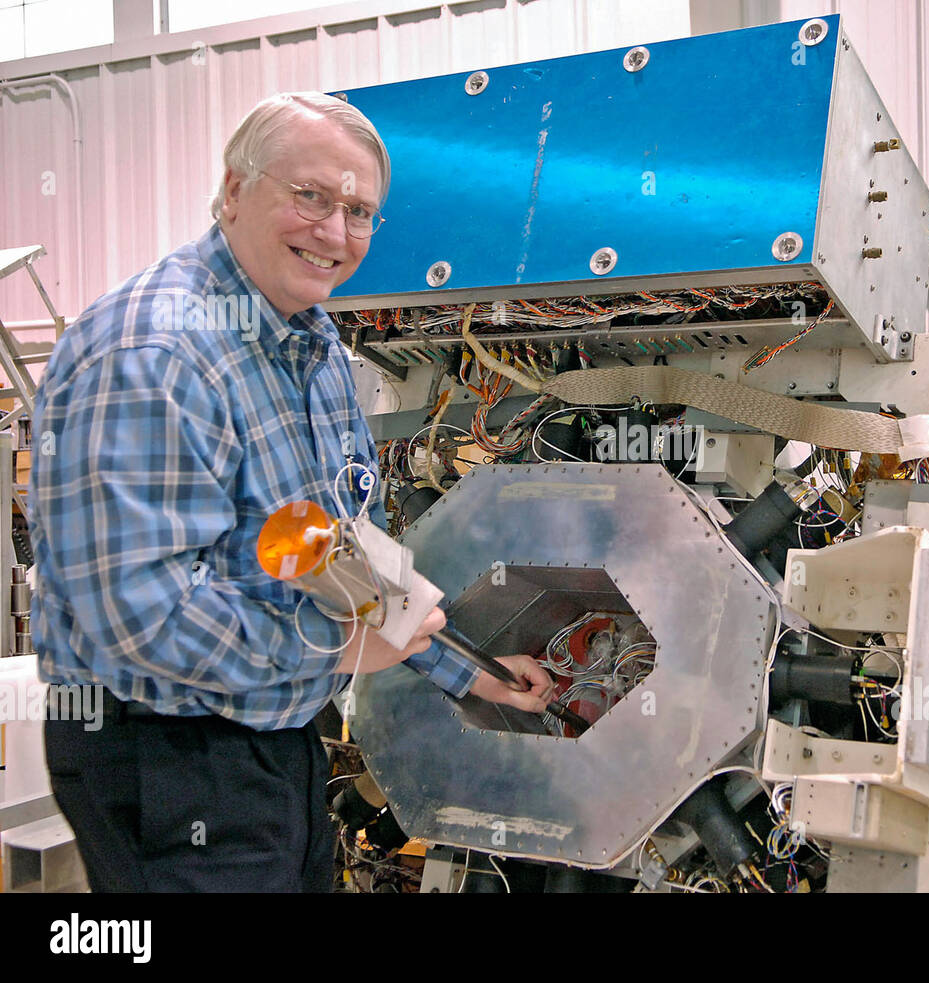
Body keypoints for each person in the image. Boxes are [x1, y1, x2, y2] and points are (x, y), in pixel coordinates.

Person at [29, 91, 554, 892]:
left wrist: (466, 669)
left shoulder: (309, 346)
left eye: (359, 211)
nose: (334, 232)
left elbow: (340, 562)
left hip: (275, 738)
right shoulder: (155, 350)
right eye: (310, 195)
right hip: (170, 758)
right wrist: (338, 652)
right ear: (234, 190)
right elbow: (140, 619)